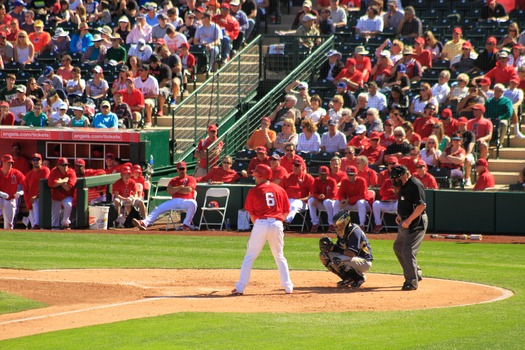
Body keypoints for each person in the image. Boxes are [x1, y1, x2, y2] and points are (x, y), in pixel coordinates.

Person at [231, 164, 293, 295]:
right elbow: (286, 211)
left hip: (261, 223)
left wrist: (261, 225)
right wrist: (277, 222)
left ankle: (240, 287)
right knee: (279, 256)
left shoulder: (254, 190)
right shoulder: (279, 189)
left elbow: (252, 215)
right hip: (277, 223)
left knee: (249, 257)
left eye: (255, 174)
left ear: (260, 175)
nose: (253, 175)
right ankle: (288, 287)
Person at [390, 165, 426, 291]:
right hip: (405, 221)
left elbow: (421, 206)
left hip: (416, 222)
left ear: (405, 174)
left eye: (397, 177)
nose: (396, 180)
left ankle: (411, 281)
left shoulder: (415, 184)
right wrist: (400, 216)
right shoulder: (404, 186)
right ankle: (416, 272)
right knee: (398, 247)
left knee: (407, 249)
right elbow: (405, 203)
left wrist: (409, 220)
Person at [133, 161, 197, 231]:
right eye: (180, 169)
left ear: (186, 169)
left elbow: (188, 190)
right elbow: (169, 191)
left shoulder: (191, 178)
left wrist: (175, 190)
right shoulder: (174, 180)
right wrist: (180, 187)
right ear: (177, 170)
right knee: (158, 209)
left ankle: (186, 225)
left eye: (183, 169)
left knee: (193, 203)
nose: (181, 171)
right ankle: (144, 223)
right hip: (174, 200)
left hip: (186, 201)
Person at [319, 210, 373, 288]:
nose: (337, 228)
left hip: (364, 261)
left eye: (339, 225)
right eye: (336, 226)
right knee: (324, 256)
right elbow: (340, 247)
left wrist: (335, 248)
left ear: (346, 223)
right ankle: (347, 279)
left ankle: (359, 278)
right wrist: (330, 247)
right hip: (353, 259)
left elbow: (351, 253)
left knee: (337, 260)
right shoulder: (342, 232)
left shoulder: (354, 232)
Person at [334, 165, 371, 231]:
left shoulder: (361, 181)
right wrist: (342, 200)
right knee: (337, 202)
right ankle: (336, 224)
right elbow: (340, 193)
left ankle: (362, 225)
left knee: (361, 202)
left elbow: (362, 196)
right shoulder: (344, 181)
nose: (349, 176)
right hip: (349, 203)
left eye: (351, 175)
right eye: (348, 174)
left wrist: (348, 200)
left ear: (356, 174)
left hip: (363, 204)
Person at [281, 159, 314, 230]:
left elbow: (313, 193)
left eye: (298, 165)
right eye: (294, 165)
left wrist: (303, 199)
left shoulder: (307, 177)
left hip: (302, 202)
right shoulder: (287, 177)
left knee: (294, 205)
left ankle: (286, 222)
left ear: (302, 167)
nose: (295, 167)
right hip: (288, 200)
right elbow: (281, 191)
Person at [48, 157, 77, 229]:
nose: (65, 167)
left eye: (66, 165)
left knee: (68, 205)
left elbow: (68, 188)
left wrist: (59, 182)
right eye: (63, 165)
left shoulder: (71, 172)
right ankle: (55, 231)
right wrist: (64, 181)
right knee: (55, 217)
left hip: (67, 195)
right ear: (58, 166)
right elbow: (51, 184)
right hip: (56, 196)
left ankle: (65, 222)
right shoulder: (54, 171)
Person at [308, 165, 338, 232]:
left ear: (327, 174)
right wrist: (318, 197)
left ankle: (331, 224)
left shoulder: (332, 181)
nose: (321, 176)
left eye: (323, 174)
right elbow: (313, 192)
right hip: (321, 202)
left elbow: (333, 195)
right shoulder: (316, 180)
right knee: (310, 200)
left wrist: (320, 198)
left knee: (327, 201)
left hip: (332, 203)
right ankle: (315, 223)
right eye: (320, 174)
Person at [0, 154, 25, 229]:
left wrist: (21, 192)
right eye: (8, 163)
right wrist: (0, 193)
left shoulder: (15, 173)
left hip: (10, 199)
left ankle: (6, 239)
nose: (10, 165)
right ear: (3, 163)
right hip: (0, 198)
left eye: (11, 163)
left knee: (9, 225)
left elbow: (26, 184)